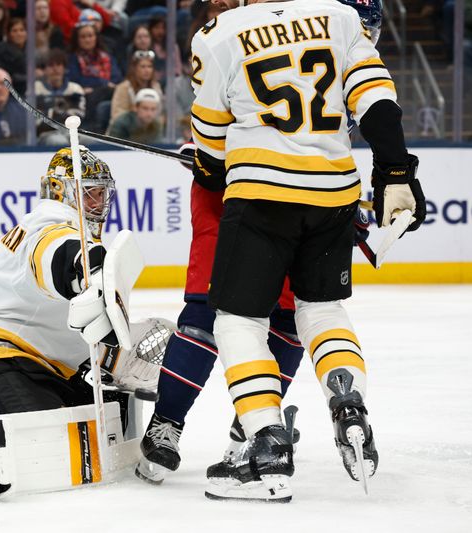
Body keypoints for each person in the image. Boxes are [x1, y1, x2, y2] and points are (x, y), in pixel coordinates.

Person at [180, 0, 426, 502]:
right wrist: (396, 172)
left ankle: (267, 445)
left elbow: (210, 140)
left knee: (237, 321)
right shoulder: (338, 17)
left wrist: (206, 166)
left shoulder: (219, 31)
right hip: (332, 193)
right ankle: (348, 402)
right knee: (322, 309)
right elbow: (377, 100)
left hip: (261, 197)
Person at [0, 147, 164, 502]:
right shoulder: (49, 227)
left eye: (102, 193)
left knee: (93, 417)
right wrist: (83, 268)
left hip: (33, 365)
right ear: (63, 191)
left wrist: (115, 361)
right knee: (46, 439)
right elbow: (56, 257)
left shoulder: (75, 235)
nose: (98, 201)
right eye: (89, 191)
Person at [34, 48, 86, 145]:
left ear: (64, 68)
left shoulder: (75, 89)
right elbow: (37, 122)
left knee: (89, 141)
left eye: (58, 65)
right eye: (51, 65)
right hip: (46, 134)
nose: (55, 69)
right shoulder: (36, 89)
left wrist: (51, 113)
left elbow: (78, 117)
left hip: (71, 132)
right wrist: (62, 114)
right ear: (44, 69)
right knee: (59, 142)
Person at [109, 49, 163, 124]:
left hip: (149, 130)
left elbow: (159, 112)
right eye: (143, 67)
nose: (147, 70)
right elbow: (116, 115)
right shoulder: (124, 87)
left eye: (149, 67)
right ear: (135, 69)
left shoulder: (156, 87)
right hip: (124, 131)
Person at [0, 17, 27, 94]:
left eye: (22, 30)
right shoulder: (2, 51)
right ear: (8, 34)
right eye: (14, 31)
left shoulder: (30, 50)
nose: (19, 34)